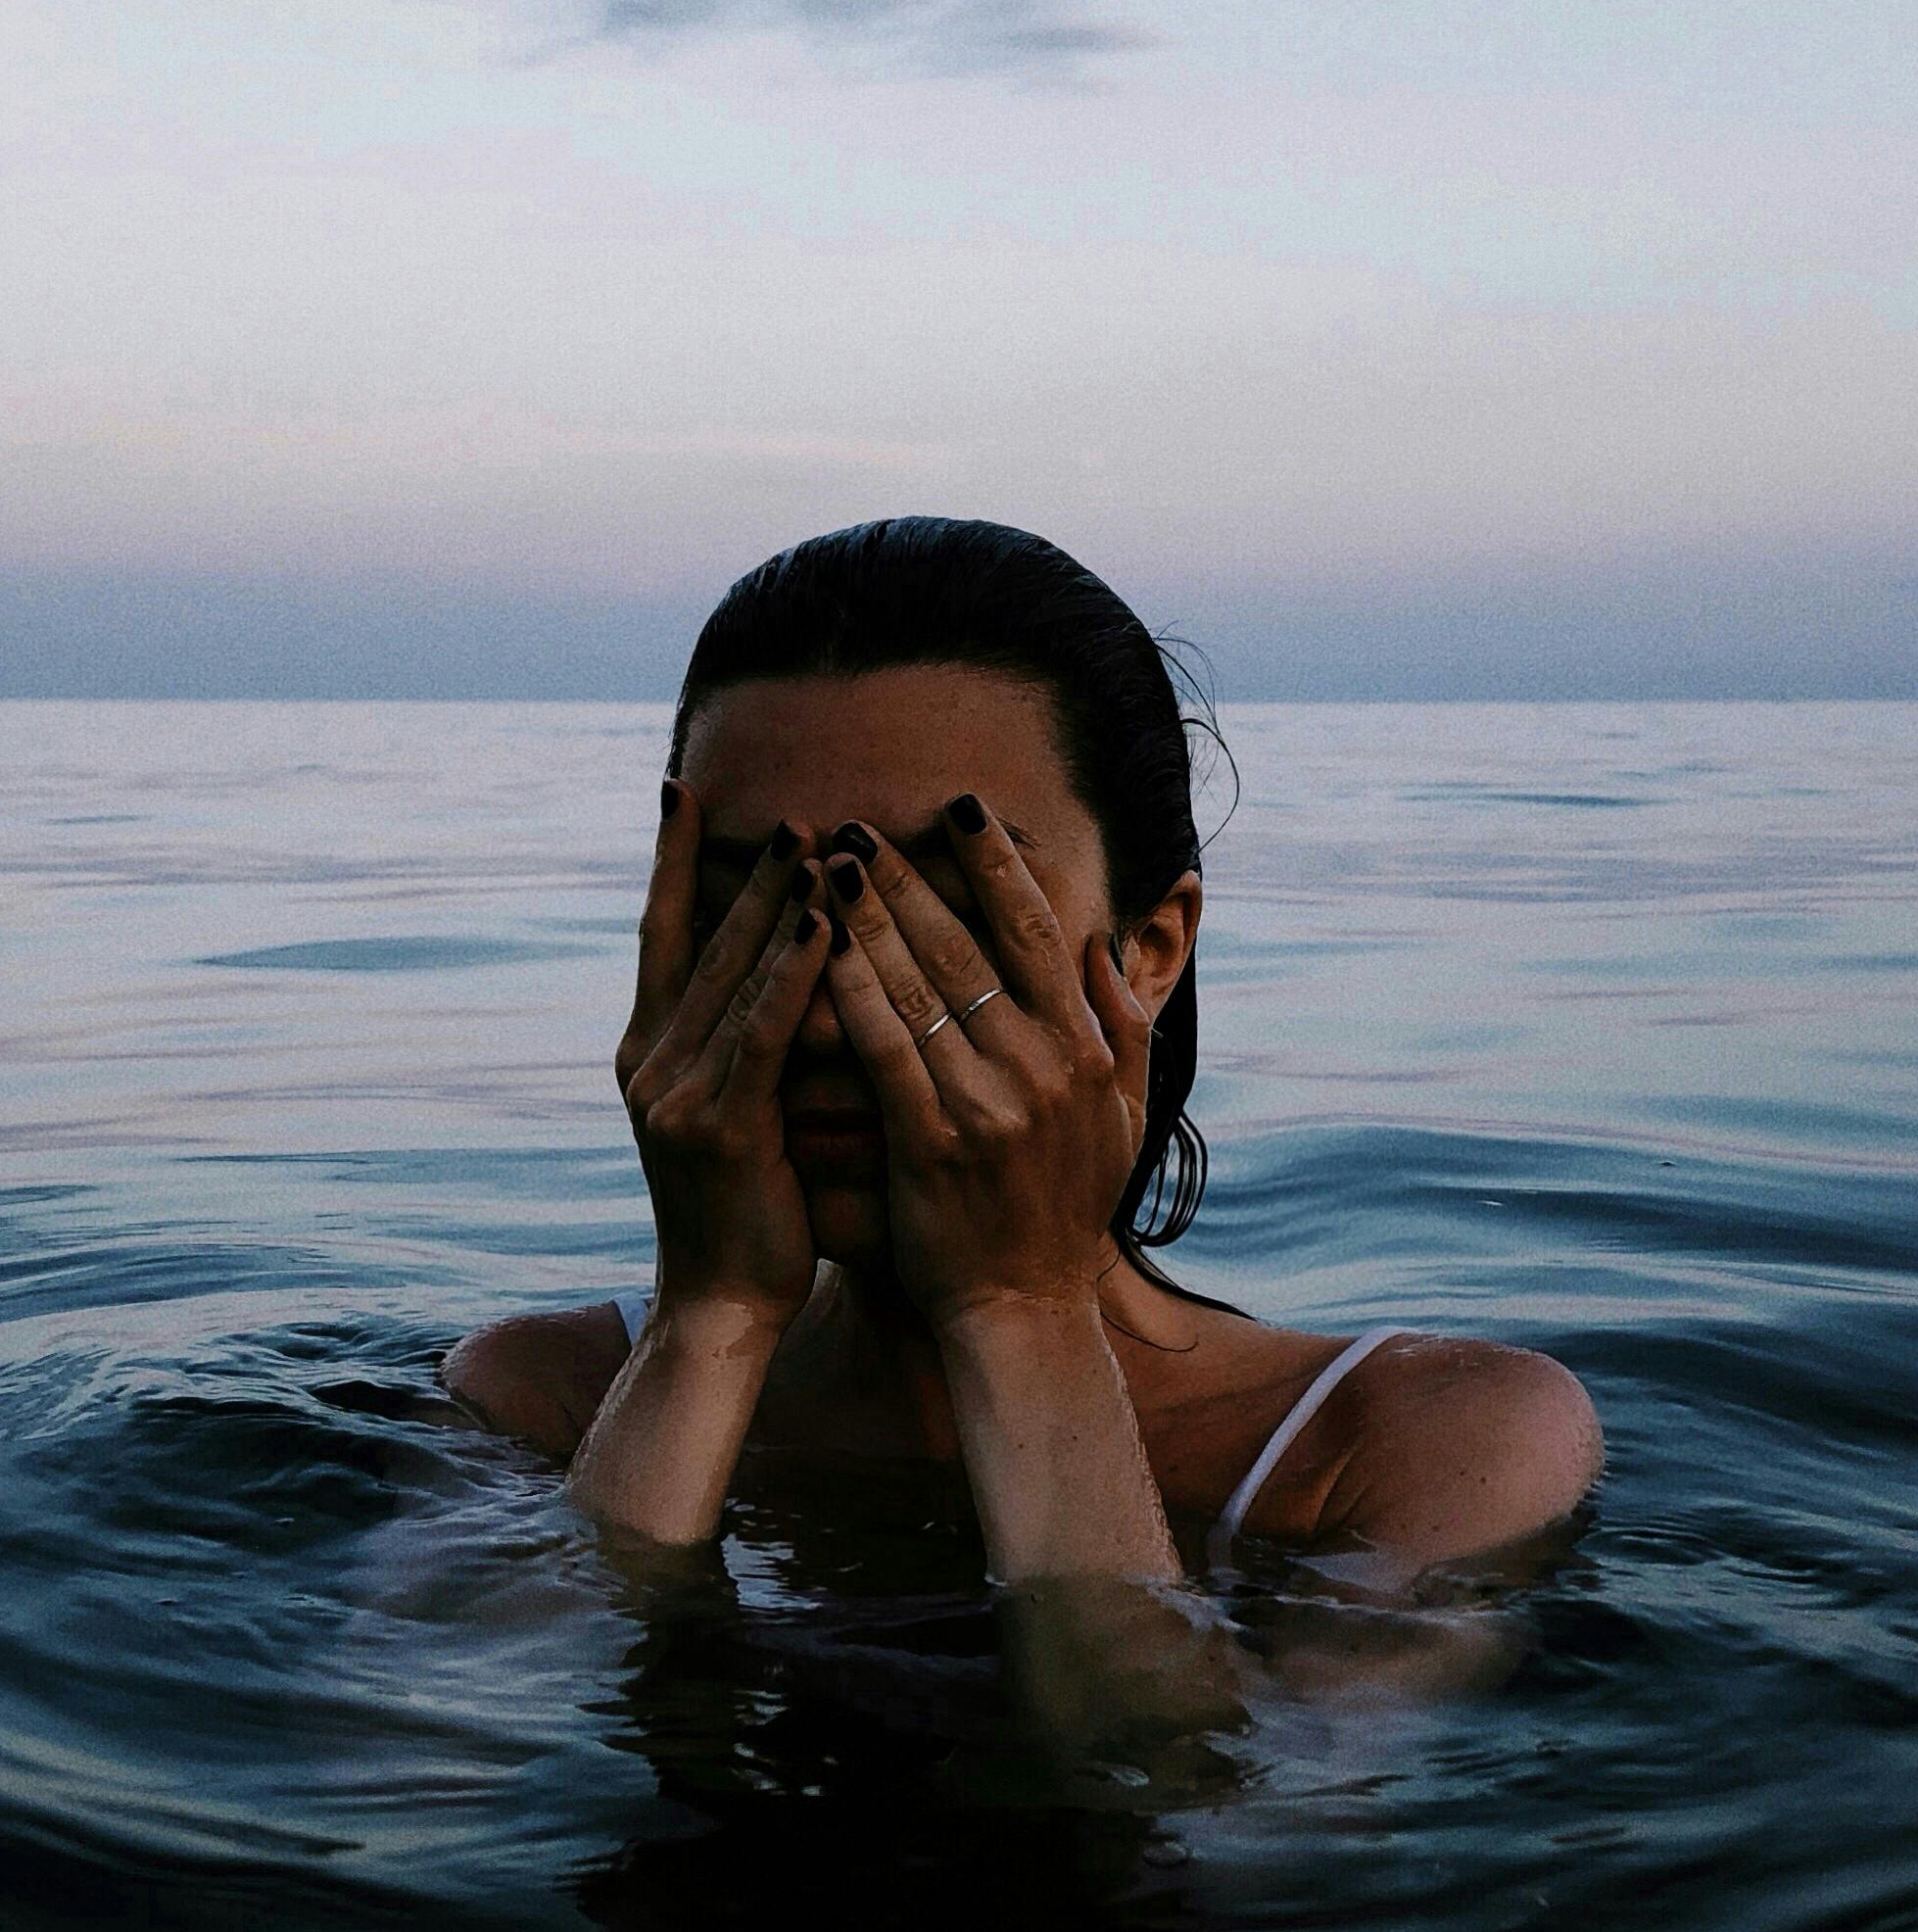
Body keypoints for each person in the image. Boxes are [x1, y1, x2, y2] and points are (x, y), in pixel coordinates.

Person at [445, 519, 1599, 1710]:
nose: (840, 1011)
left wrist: (1022, 1312)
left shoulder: (1418, 1442)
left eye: (933, 916)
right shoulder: (546, 1397)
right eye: (763, 912)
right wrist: (710, 1317)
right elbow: (441, 1786)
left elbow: (1237, 1850)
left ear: (1149, 953)